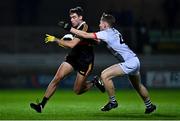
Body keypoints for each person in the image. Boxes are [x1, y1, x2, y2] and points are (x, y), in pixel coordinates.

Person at [63, 13, 156, 114]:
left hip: (129, 62)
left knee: (104, 75)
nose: (99, 25)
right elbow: (95, 40)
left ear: (105, 25)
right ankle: (149, 105)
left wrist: (68, 28)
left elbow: (85, 34)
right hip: (135, 60)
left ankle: (113, 102)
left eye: (100, 23)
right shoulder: (114, 31)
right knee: (137, 85)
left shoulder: (106, 33)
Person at [30, 6, 105, 113]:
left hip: (85, 61)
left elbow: (72, 44)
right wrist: (62, 42)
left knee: (77, 90)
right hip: (73, 57)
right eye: (71, 18)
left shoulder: (85, 27)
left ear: (80, 17)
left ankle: (94, 82)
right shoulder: (74, 30)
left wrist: (56, 40)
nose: (72, 20)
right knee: (57, 78)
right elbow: (70, 45)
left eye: (74, 17)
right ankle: (41, 105)